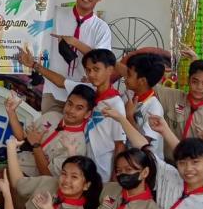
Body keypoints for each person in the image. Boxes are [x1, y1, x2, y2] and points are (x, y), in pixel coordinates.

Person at [24, 47, 126, 181]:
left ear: (110, 70)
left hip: (104, 172)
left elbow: (120, 145)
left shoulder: (116, 104)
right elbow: (61, 81)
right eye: (88, 70)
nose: (91, 74)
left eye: (96, 69)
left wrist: (115, 180)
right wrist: (34, 65)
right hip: (83, 166)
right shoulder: (88, 91)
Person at [5, 139, 100, 209]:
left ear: (86, 185)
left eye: (74, 177)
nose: (66, 180)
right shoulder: (48, 183)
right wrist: (11, 148)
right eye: (64, 174)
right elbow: (19, 184)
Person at [35, 0, 111, 112]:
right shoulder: (55, 14)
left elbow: (103, 60)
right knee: (48, 125)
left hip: (84, 95)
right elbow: (35, 10)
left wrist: (75, 43)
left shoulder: (101, 28)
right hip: (53, 91)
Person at [4, 86, 94, 178]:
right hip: (16, 163)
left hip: (33, 180)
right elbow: (21, 137)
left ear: (87, 114)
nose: (71, 110)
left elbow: (48, 176)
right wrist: (11, 112)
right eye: (70, 104)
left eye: (79, 108)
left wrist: (36, 146)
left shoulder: (78, 145)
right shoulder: (52, 116)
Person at [155, 59, 203, 157]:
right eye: (195, 82)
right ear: (188, 80)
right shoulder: (171, 97)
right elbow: (147, 85)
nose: (199, 87)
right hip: (168, 163)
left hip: (199, 165)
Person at [122, 52, 168, 154]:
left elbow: (144, 144)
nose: (125, 77)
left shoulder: (154, 108)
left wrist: (129, 117)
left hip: (147, 161)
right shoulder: (127, 96)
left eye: (129, 74)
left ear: (142, 81)